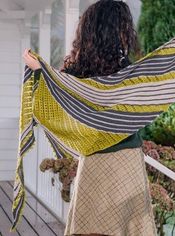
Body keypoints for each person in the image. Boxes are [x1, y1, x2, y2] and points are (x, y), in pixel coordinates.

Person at [23, 0, 157, 235]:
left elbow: (56, 92)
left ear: (88, 31)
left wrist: (40, 70)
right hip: (126, 159)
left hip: (94, 158)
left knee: (89, 229)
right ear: (118, 31)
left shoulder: (78, 73)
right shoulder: (129, 72)